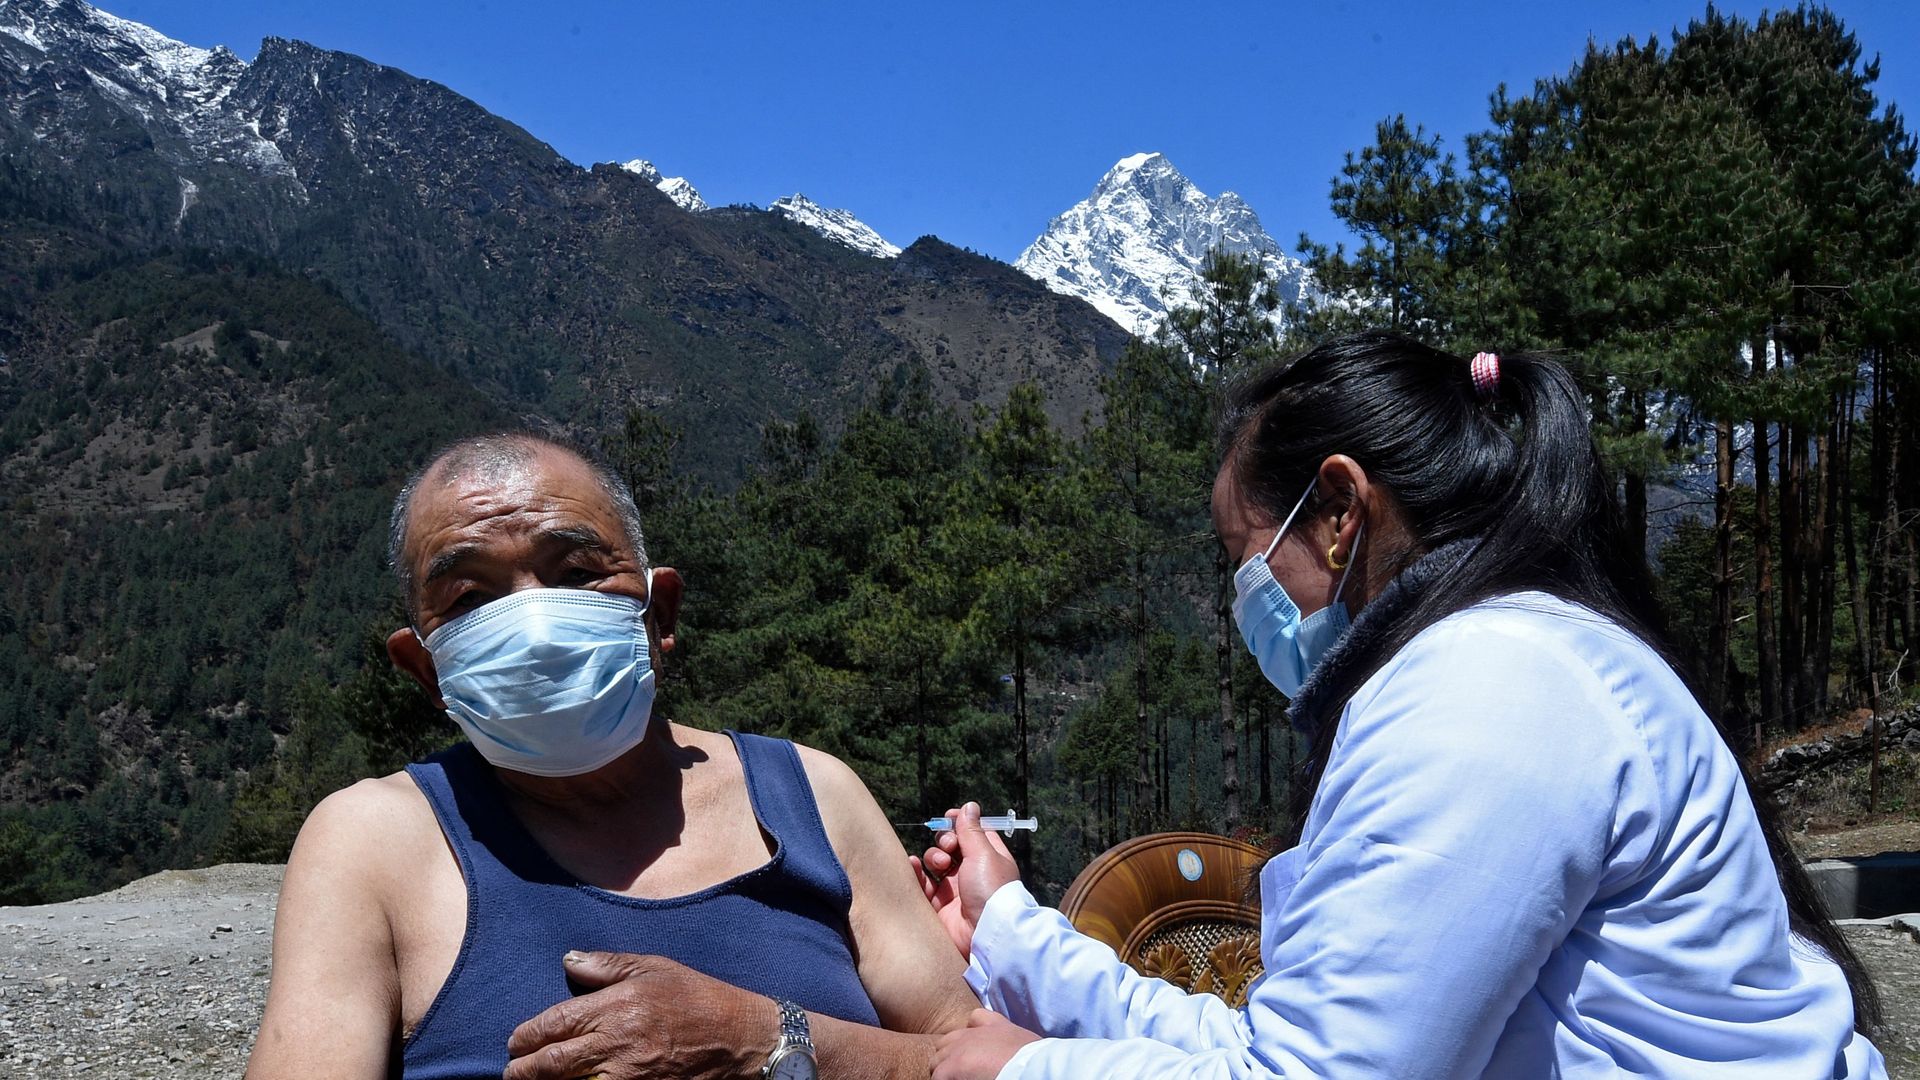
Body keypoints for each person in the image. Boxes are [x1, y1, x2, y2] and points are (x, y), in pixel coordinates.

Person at [912, 332, 1888, 1079]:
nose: (1243, 597)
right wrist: (1006, 927)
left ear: (1340, 514)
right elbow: (1289, 1041)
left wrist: (1013, 1063)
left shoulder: (1483, 698)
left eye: (1243, 557)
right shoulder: (1510, 659)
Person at [245, 433, 979, 1080]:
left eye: (574, 573)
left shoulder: (813, 795)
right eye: (469, 598)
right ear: (427, 669)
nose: (533, 628)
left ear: (659, 614)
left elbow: (981, 1059)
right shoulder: (371, 845)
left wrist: (769, 1042)